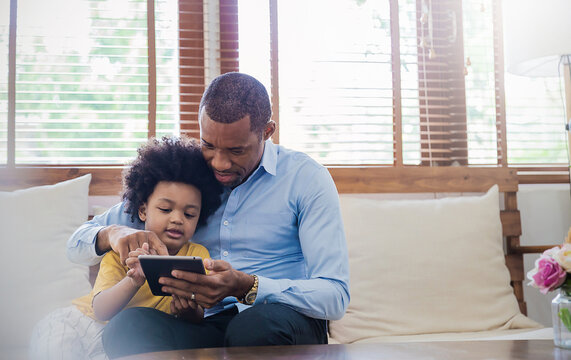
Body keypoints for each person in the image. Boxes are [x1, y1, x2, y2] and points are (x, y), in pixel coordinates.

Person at [67, 72, 350, 358]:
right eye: (208, 145)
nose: (219, 163)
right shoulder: (186, 178)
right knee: (127, 327)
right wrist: (110, 234)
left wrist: (248, 286)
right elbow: (75, 245)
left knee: (251, 328)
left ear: (267, 131)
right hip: (207, 322)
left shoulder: (306, 179)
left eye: (236, 150)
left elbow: (335, 296)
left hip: (281, 320)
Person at [31, 136, 221, 360]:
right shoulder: (123, 250)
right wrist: (134, 279)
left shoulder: (197, 256)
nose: (178, 219)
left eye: (189, 214)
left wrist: (188, 310)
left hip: (126, 338)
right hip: (81, 323)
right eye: (165, 209)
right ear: (143, 211)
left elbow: (198, 315)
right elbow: (101, 310)